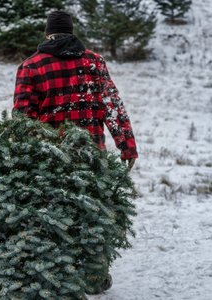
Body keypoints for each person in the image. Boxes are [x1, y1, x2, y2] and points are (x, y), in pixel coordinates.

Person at [13, 10, 138, 294]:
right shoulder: (94, 62)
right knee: (92, 216)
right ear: (72, 32)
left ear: (48, 33)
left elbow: (21, 119)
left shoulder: (31, 66)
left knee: (53, 218)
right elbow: (112, 105)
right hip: (92, 157)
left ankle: (56, 278)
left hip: (50, 159)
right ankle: (95, 277)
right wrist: (127, 146)